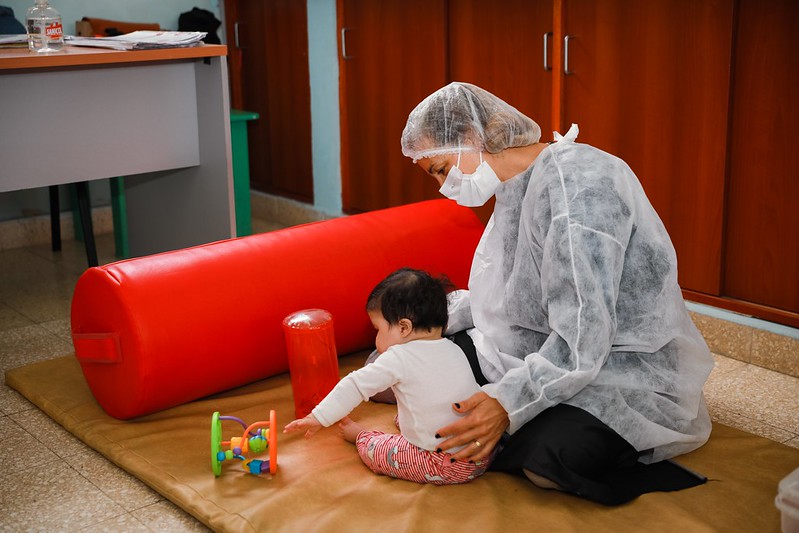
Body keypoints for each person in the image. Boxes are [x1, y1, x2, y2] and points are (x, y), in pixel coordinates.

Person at [394, 82, 714, 505]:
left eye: (440, 169)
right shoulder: (515, 184)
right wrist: (432, 323)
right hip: (542, 346)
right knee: (408, 361)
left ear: (470, 137)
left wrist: (508, 402)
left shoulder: (579, 190)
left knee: (546, 461)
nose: (443, 186)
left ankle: (569, 435)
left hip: (617, 366)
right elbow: (503, 291)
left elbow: (585, 335)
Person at [283, 267, 491, 485]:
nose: (376, 338)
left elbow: (355, 385)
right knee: (413, 410)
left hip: (445, 464)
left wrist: (319, 417)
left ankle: (361, 437)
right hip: (482, 451)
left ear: (404, 327)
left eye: (378, 329)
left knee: (379, 452)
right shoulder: (454, 348)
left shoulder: (399, 357)